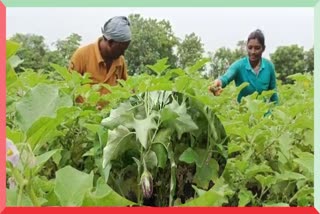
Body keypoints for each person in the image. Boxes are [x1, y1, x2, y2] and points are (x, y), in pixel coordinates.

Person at [69, 16, 131, 100]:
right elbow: (69, 89)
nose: (123, 53)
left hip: (110, 112)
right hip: (84, 112)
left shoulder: (120, 60)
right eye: (120, 49)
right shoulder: (81, 55)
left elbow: (127, 87)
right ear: (110, 42)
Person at [208, 29, 278, 104]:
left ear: (263, 48)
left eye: (257, 48)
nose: (253, 52)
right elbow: (226, 77)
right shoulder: (239, 65)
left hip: (263, 113)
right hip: (243, 112)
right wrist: (219, 82)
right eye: (250, 47)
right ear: (246, 47)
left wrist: (275, 111)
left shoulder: (269, 66)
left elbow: (273, 92)